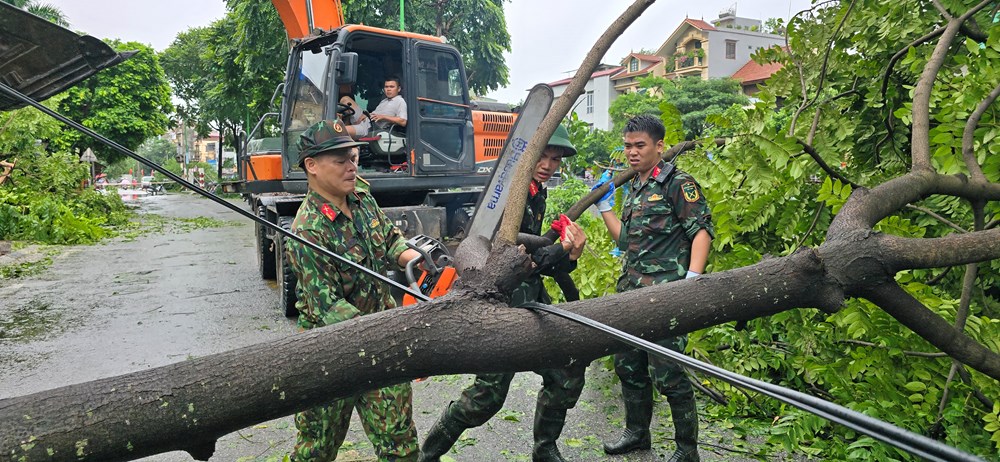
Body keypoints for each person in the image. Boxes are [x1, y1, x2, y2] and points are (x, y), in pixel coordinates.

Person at [419, 124, 588, 462]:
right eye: (544, 156)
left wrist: (568, 256)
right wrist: (560, 251)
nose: (549, 164)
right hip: (503, 305)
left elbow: (540, 262)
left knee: (566, 374)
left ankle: (545, 448)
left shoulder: (538, 191)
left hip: (534, 301)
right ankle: (428, 453)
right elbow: (509, 254)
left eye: (555, 159)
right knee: (486, 398)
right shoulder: (511, 195)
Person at [284, 119, 423, 461]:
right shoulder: (308, 230)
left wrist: (412, 256)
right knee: (316, 450)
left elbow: (389, 238)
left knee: (401, 449)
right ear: (312, 166)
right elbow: (328, 309)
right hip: (330, 355)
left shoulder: (360, 194)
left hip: (382, 345)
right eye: (340, 160)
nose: (351, 166)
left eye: (353, 156)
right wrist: (388, 333)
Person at [595, 114, 713, 462]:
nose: (632, 152)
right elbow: (625, 239)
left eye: (639, 145)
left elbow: (701, 232)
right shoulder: (634, 188)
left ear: (659, 146)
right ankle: (637, 434)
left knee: (669, 373)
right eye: (628, 146)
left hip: (666, 296)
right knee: (628, 365)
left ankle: (687, 450)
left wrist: (692, 281)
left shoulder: (678, 183)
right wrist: (605, 209)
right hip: (630, 292)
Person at [341, 76, 407, 138]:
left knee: (339, 130)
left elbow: (403, 121)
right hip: (366, 119)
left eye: (392, 87)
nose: (388, 89)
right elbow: (376, 114)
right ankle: (348, 124)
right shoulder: (384, 100)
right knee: (345, 99)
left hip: (369, 128)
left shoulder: (400, 101)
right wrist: (367, 115)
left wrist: (383, 117)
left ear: (398, 89)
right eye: (386, 87)